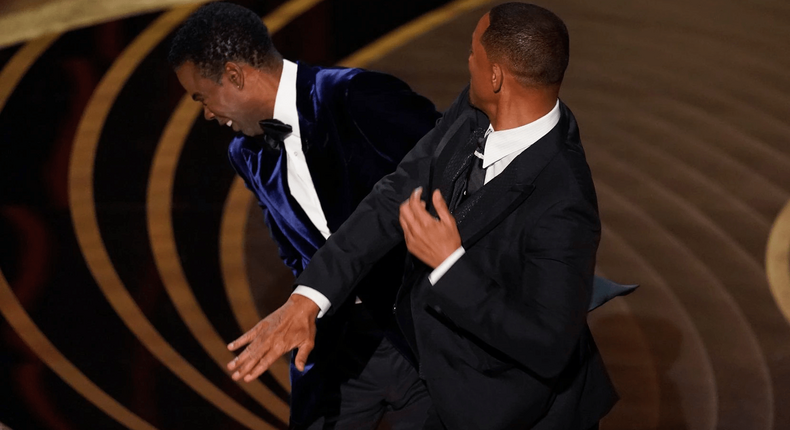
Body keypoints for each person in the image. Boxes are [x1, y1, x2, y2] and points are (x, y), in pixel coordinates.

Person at [226, 3, 625, 429]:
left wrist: (450, 265)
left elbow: (546, 344)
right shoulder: (475, 112)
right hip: (444, 382)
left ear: (496, 77)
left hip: (515, 413)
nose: (466, 61)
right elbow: (392, 196)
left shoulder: (564, 198)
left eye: (474, 53)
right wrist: (310, 297)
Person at [168, 3, 442, 429]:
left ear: (236, 76)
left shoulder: (355, 94)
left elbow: (456, 175)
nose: (206, 113)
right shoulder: (245, 154)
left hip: (423, 337)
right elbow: (293, 249)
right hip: (338, 346)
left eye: (202, 97)